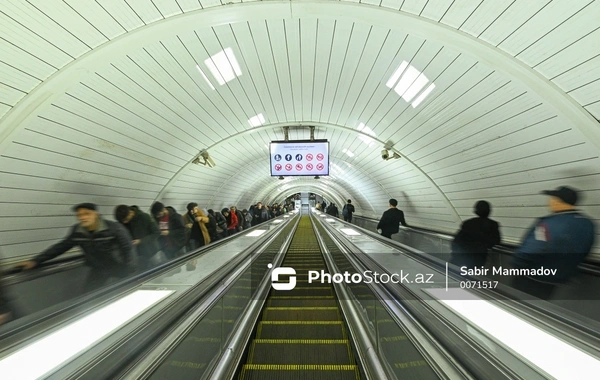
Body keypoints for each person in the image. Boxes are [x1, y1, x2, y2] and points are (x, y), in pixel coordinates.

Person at [19, 203, 134, 293]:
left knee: (123, 293)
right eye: (79, 215)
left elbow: (128, 249)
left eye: (86, 214)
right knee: (88, 297)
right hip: (98, 269)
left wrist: (131, 273)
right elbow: (61, 247)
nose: (82, 217)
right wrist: (35, 261)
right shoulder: (78, 231)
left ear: (96, 214)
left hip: (119, 266)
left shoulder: (114, 228)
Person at [512, 186, 595, 299]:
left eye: (551, 198)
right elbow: (585, 250)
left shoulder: (547, 224)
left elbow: (531, 250)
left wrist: (516, 267)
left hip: (533, 278)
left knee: (518, 306)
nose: (549, 201)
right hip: (559, 280)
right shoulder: (588, 224)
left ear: (557, 201)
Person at [450, 201, 500, 268]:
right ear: (489, 211)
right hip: (478, 260)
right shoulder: (493, 224)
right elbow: (497, 241)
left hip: (461, 257)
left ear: (476, 211)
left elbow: (457, 240)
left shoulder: (468, 223)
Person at [115, 205, 161, 271]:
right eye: (122, 221)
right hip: (139, 255)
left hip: (152, 252)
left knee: (159, 271)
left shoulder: (145, 217)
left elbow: (157, 233)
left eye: (126, 219)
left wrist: (141, 241)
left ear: (131, 213)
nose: (125, 222)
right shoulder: (123, 223)